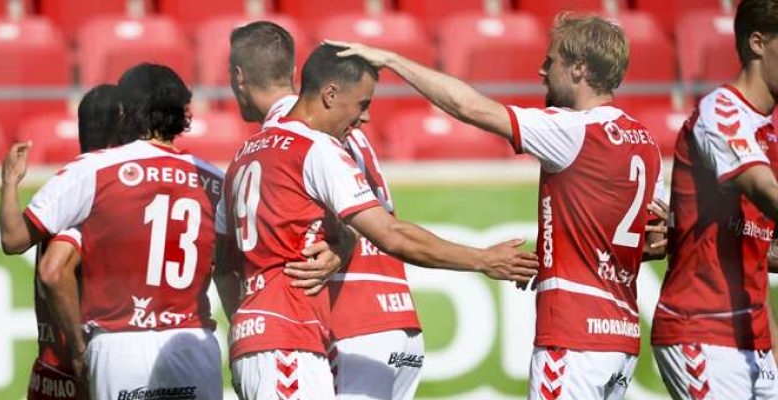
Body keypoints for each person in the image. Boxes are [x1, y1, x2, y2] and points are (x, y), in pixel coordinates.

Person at [328, 11, 668, 399]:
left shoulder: (573, 130)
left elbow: (470, 107)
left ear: (578, 68)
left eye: (551, 60)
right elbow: (655, 241)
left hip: (574, 334)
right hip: (621, 339)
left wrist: (392, 60)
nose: (542, 71)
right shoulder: (645, 142)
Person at [217, 43, 539, 400]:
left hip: (273, 334)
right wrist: (482, 259)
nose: (365, 119)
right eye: (363, 104)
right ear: (329, 93)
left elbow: (224, 262)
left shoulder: (242, 156)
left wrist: (246, 326)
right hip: (324, 330)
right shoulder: (317, 147)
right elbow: (390, 233)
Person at [224, 21, 425, 399]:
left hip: (352, 325)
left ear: (238, 77)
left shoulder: (297, 130)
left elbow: (365, 224)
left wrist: (342, 244)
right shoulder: (343, 124)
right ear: (294, 72)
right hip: (398, 320)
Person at [0, 63, 224, 400]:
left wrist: (9, 182)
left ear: (125, 111)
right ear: (183, 114)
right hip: (192, 342)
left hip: (121, 343)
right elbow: (236, 262)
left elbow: (16, 240)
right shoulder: (213, 179)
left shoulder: (96, 169)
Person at [650, 0, 778, 398]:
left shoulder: (771, 130)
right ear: (757, 43)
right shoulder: (722, 111)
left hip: (752, 337)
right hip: (701, 330)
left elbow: (757, 247)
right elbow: (764, 190)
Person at [0, 84, 124, 400]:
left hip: (46, 375)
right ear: (124, 124)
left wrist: (10, 183)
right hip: (83, 373)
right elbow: (54, 271)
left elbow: (12, 240)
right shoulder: (100, 190)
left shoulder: (64, 187)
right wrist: (81, 350)